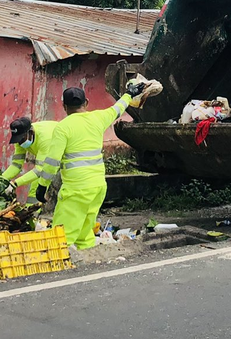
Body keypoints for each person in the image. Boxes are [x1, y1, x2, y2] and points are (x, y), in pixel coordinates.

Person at [38, 82, 150, 248]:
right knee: (85, 233)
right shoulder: (98, 118)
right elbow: (118, 108)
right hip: (97, 187)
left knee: (61, 237)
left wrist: (42, 186)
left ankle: (60, 269)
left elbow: (52, 162)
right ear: (87, 103)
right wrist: (129, 94)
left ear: (64, 106)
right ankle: (87, 263)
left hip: (76, 190)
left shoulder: (62, 128)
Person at [2, 116, 60, 207]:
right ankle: (31, 217)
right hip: (50, 159)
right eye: (18, 140)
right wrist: (1, 180)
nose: (20, 143)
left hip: (67, 158)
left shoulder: (45, 139)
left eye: (22, 139)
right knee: (35, 188)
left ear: (31, 132)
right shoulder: (20, 140)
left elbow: (40, 170)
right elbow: (16, 165)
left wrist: (14, 184)